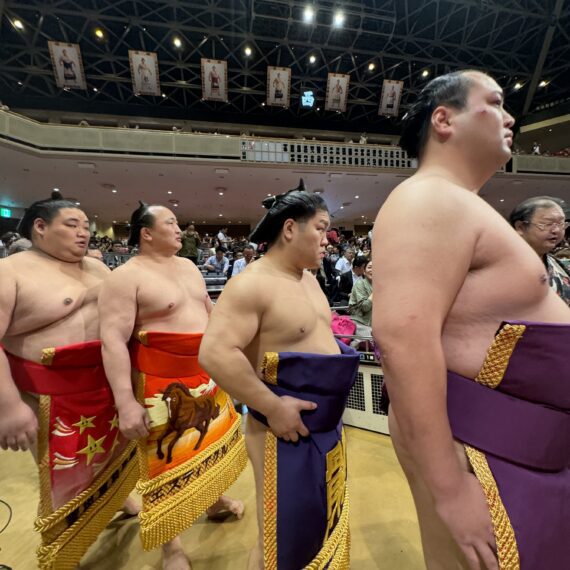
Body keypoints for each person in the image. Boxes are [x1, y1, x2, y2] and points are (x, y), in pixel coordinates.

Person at [373, 69, 570, 570]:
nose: (510, 118)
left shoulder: (459, 204)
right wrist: (450, 488)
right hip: (482, 446)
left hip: (520, 444)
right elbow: (401, 339)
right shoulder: (428, 198)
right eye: (496, 102)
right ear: (444, 119)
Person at [199, 180, 360, 569]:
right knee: (281, 535)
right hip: (282, 431)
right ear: (290, 229)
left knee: (319, 524)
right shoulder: (251, 285)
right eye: (321, 228)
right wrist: (272, 406)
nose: (329, 239)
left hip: (327, 427)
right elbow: (215, 353)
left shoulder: (307, 278)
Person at [99, 202, 246, 570]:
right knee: (163, 461)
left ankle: (212, 501)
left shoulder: (190, 267)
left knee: (206, 444)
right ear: (146, 233)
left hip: (204, 370)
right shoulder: (125, 277)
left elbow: (209, 313)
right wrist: (125, 403)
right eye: (171, 223)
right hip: (158, 379)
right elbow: (113, 341)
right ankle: (171, 547)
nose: (181, 228)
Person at [0, 192, 138, 569]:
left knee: (115, 454)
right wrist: (9, 407)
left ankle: (116, 497)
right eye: (72, 225)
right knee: (62, 476)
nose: (84, 234)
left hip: (106, 384)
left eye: (86, 227)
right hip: (46, 393)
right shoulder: (10, 272)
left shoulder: (97, 269)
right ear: (40, 228)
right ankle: (64, 552)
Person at [509, 196, 570, 305]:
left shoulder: (563, 267)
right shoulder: (499, 264)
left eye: (561, 224)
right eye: (547, 223)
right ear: (520, 227)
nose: (556, 230)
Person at [348, 259, 373, 346]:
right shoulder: (359, 284)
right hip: (361, 322)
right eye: (370, 267)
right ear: (364, 271)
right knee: (371, 342)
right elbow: (365, 307)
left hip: (375, 323)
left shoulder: (382, 286)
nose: (373, 270)